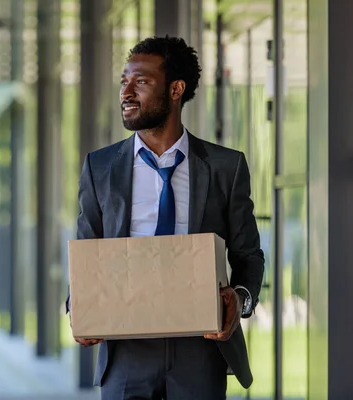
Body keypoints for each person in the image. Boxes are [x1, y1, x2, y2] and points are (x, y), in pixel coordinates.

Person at [66, 36, 265, 400]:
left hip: (200, 349)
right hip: (126, 349)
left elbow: (248, 255)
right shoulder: (100, 166)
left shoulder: (225, 167)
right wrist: (77, 307)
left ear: (176, 89)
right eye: (124, 80)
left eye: (140, 81)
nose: (126, 91)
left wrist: (241, 299)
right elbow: (86, 248)